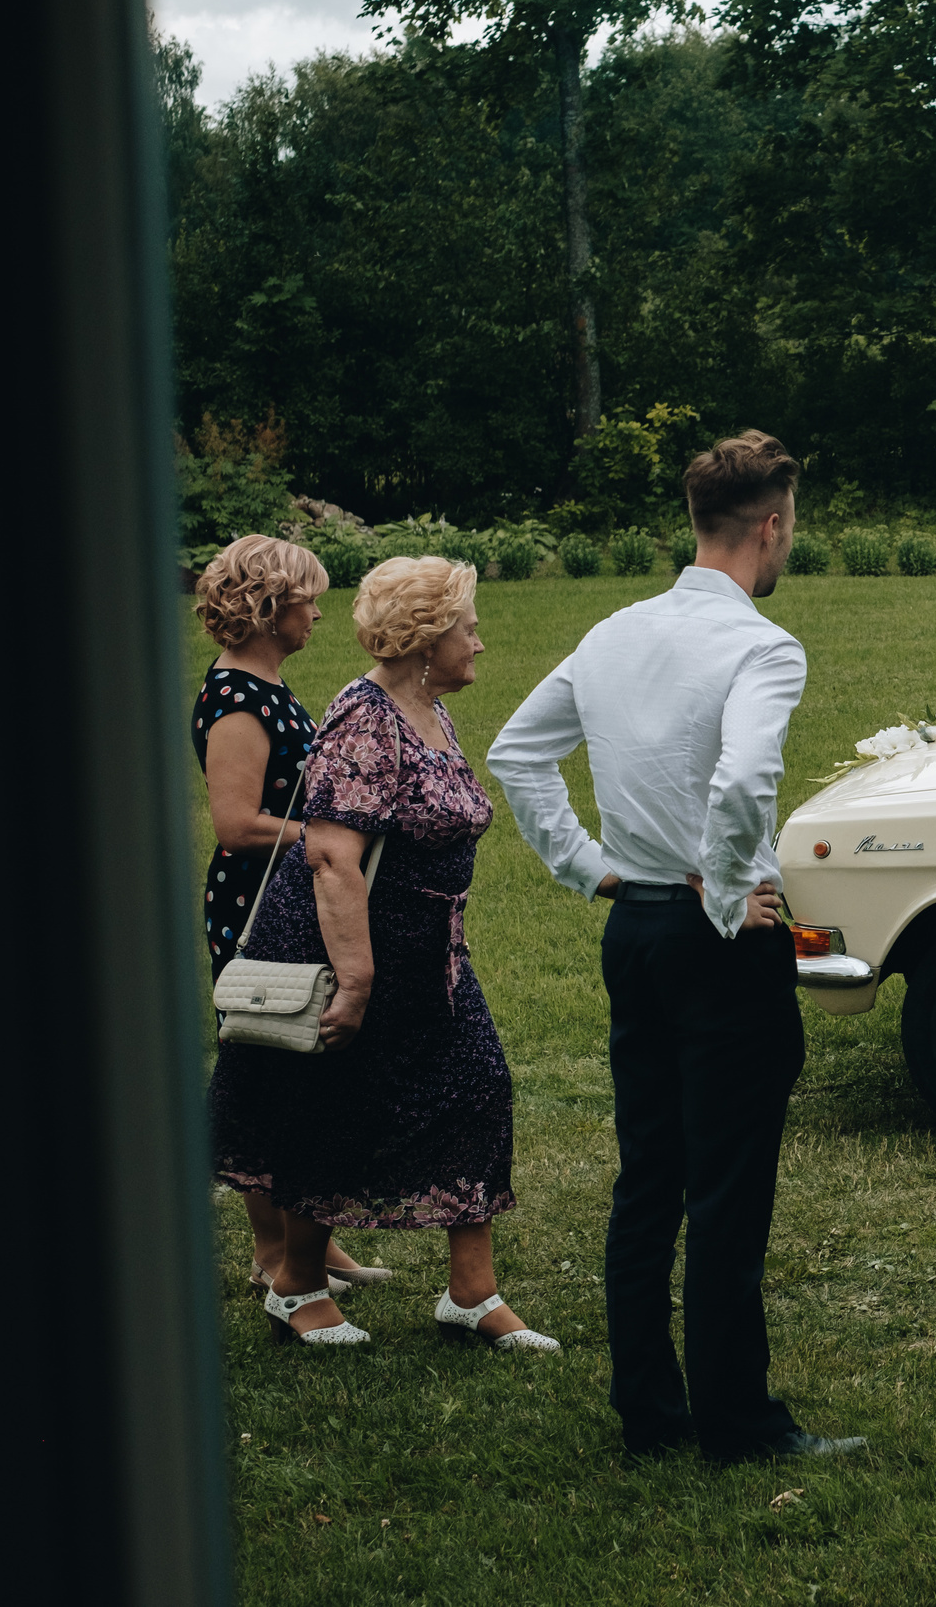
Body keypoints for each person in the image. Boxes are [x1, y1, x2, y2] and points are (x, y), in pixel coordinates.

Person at [489, 430, 858, 1463]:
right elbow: (742, 783)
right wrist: (734, 890)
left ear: (696, 523)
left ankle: (649, 1414)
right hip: (713, 942)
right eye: (791, 531)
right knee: (729, 1187)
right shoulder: (760, 647)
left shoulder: (612, 633)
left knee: (648, 1176)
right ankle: (740, 1424)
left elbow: (517, 755)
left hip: (637, 929)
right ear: (770, 527)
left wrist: (593, 869)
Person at [210, 556, 555, 1353]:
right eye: (468, 626)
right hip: (352, 949)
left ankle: (471, 1295)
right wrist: (356, 979)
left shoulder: (427, 707)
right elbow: (332, 855)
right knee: (332, 1107)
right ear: (428, 638)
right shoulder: (366, 716)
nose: (481, 641)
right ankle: (296, 1285)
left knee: (478, 1088)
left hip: (431, 953)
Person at [192, 535, 389, 1299]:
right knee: (266, 1059)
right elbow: (237, 822)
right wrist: (329, 835)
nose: (319, 611)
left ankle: (317, 1246)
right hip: (251, 902)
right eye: (309, 598)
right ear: (272, 608)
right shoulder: (238, 698)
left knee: (301, 1061)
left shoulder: (267, 683)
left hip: (286, 894)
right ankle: (272, 1252)